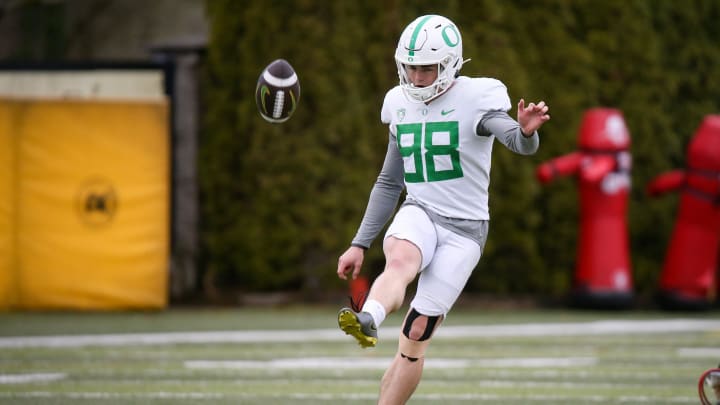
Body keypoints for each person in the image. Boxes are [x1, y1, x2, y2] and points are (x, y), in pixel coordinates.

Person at [336, 14, 550, 404]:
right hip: (421, 210)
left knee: (416, 335)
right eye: (411, 67)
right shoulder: (398, 104)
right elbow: (389, 182)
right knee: (400, 261)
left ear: (450, 64)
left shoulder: (476, 98)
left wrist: (526, 131)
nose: (417, 77)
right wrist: (359, 243)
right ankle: (369, 318)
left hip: (466, 231)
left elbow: (517, 144)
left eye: (426, 68)